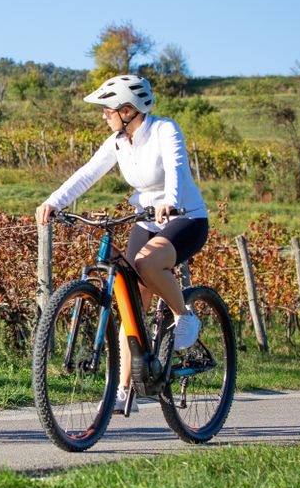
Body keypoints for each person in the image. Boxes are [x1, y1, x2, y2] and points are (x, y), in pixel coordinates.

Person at [35, 74, 209, 412]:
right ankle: (124, 389)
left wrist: (169, 201)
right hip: (146, 220)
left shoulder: (164, 130)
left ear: (128, 110)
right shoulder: (118, 142)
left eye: (108, 109)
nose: (104, 115)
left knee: (146, 263)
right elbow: (88, 173)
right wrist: (54, 201)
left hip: (185, 218)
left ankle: (184, 314)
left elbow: (175, 168)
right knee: (130, 301)